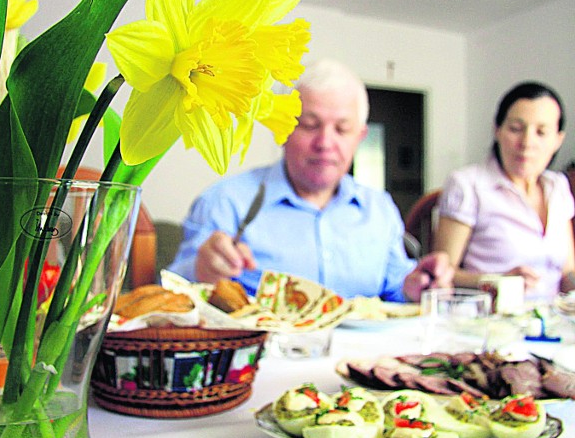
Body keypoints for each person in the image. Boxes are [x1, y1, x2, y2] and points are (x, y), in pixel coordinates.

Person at [168, 58, 452, 302]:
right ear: (283, 129)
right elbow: (173, 290)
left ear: (359, 138)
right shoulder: (226, 201)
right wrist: (200, 270)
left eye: (342, 129)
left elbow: (395, 284)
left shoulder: (379, 208)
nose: (325, 142)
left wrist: (420, 282)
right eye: (310, 125)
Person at [434, 81, 575, 300]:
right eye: (516, 129)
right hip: (489, 321)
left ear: (558, 140)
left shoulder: (558, 186)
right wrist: (496, 281)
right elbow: (442, 274)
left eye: (541, 132)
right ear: (497, 130)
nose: (527, 142)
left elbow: (567, 272)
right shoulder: (468, 185)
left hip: (551, 325)